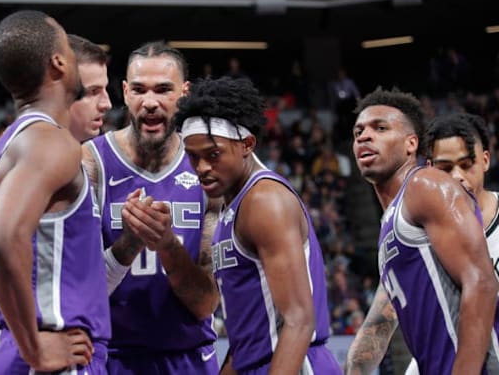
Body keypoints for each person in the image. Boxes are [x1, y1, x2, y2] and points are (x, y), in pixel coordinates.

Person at [0, 10, 109, 374]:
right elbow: (2, 238)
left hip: (19, 353)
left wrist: (9, 337)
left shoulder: (11, 145)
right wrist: (33, 347)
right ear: (59, 62)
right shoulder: (50, 143)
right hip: (54, 357)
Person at [172, 77, 340, 374]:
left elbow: (299, 320)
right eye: (193, 157)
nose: (201, 168)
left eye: (213, 154)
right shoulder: (231, 205)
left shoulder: (264, 200)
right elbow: (248, 336)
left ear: (247, 144)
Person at [83, 41, 220, 374]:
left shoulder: (207, 169)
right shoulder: (91, 163)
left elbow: (205, 304)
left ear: (184, 94)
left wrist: (167, 246)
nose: (150, 103)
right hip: (112, 356)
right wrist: (129, 244)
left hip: (189, 355)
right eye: (140, 90)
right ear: (125, 92)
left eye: (163, 90)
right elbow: (79, 291)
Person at [345, 88, 499, 374]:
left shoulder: (425, 185)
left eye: (380, 128)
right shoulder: (393, 221)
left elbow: (482, 283)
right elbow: (380, 322)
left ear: (411, 143)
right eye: (358, 132)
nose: (365, 136)